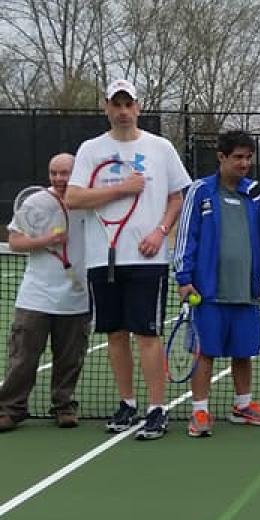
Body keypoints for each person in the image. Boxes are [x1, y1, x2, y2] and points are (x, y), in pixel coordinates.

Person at [66, 78, 190, 440]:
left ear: (138, 107)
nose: (122, 111)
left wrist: (160, 232)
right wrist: (121, 189)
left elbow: (176, 197)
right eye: (115, 104)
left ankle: (156, 409)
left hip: (147, 261)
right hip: (100, 260)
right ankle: (127, 404)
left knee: (147, 334)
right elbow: (74, 199)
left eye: (128, 104)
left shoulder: (161, 147)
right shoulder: (90, 150)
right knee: (115, 336)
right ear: (106, 107)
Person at [173, 131, 260, 438]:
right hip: (207, 293)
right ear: (221, 157)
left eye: (248, 157)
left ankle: (242, 406)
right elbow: (186, 237)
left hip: (246, 291)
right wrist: (184, 278)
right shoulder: (200, 191)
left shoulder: (256, 195)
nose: (244, 163)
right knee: (205, 353)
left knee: (243, 351)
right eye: (238, 157)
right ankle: (200, 411)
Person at [0, 153, 91, 433]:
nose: (59, 179)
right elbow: (15, 241)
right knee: (23, 357)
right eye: (54, 173)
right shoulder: (35, 203)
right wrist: (47, 240)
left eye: (65, 173)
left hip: (77, 296)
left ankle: (64, 406)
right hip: (36, 296)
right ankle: (11, 409)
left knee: (70, 359)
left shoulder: (87, 203)